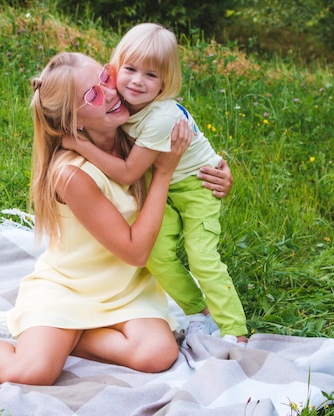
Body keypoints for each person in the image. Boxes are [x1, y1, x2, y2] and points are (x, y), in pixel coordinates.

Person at [0, 51, 232, 386]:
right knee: (32, 372)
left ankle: (31, 332)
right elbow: (137, 252)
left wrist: (217, 177)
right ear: (71, 123)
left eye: (105, 77)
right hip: (70, 286)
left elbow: (193, 168)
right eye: (92, 95)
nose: (110, 92)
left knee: (158, 354)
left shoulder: (137, 135)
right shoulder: (72, 173)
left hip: (128, 289)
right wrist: (164, 173)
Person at [62, 23, 248, 345]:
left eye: (151, 75)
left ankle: (235, 331)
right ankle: (199, 312)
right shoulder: (116, 97)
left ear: (165, 81)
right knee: (157, 254)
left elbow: (128, 173)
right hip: (163, 186)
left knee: (202, 256)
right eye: (130, 69)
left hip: (196, 185)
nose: (137, 81)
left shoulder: (161, 116)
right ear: (114, 68)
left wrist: (79, 145)